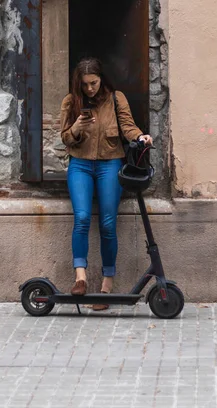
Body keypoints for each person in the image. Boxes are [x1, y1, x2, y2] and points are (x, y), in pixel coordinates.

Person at [60, 57, 152, 310]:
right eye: (85, 84)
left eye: (94, 83)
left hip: (110, 163)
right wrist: (77, 126)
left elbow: (127, 127)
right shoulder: (71, 101)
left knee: (108, 223)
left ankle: (106, 286)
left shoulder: (115, 98)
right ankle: (80, 279)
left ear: (102, 79)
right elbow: (65, 138)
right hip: (80, 164)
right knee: (81, 218)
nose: (90, 89)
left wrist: (141, 136)